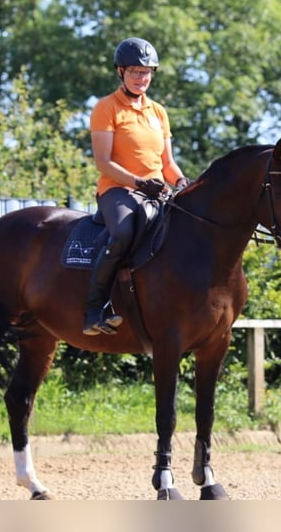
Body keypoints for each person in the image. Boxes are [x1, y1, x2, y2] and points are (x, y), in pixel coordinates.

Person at [84, 36, 189, 336]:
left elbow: (168, 164)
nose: (142, 78)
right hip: (117, 191)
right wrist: (140, 183)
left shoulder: (158, 112)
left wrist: (181, 181)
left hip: (157, 192)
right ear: (120, 72)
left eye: (146, 73)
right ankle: (94, 309)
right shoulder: (107, 108)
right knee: (124, 232)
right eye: (135, 72)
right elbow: (103, 163)